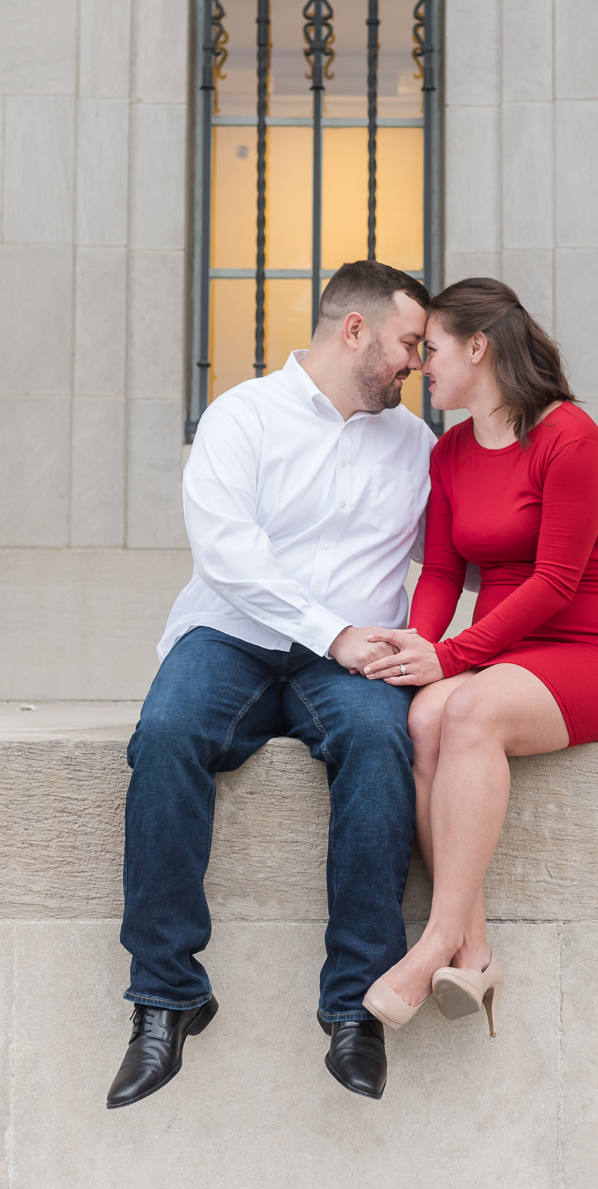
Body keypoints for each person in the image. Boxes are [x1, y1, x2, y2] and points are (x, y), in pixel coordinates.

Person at [106, 260, 434, 1109]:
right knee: (169, 732)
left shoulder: (416, 446)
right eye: (407, 342)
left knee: (378, 739)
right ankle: (166, 995)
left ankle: (355, 1006)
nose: (416, 364)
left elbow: (465, 547)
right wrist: (332, 631)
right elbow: (227, 549)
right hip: (236, 634)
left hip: (353, 657)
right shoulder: (243, 413)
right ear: (353, 330)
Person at [358, 277, 598, 1035]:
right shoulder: (450, 452)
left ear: (478, 348)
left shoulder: (569, 436)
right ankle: (476, 950)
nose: (423, 364)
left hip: (592, 652)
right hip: (505, 654)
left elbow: (556, 582)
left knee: (471, 708)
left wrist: (453, 655)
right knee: (424, 715)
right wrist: (421, 649)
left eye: (434, 349)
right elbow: (446, 572)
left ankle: (431, 946)